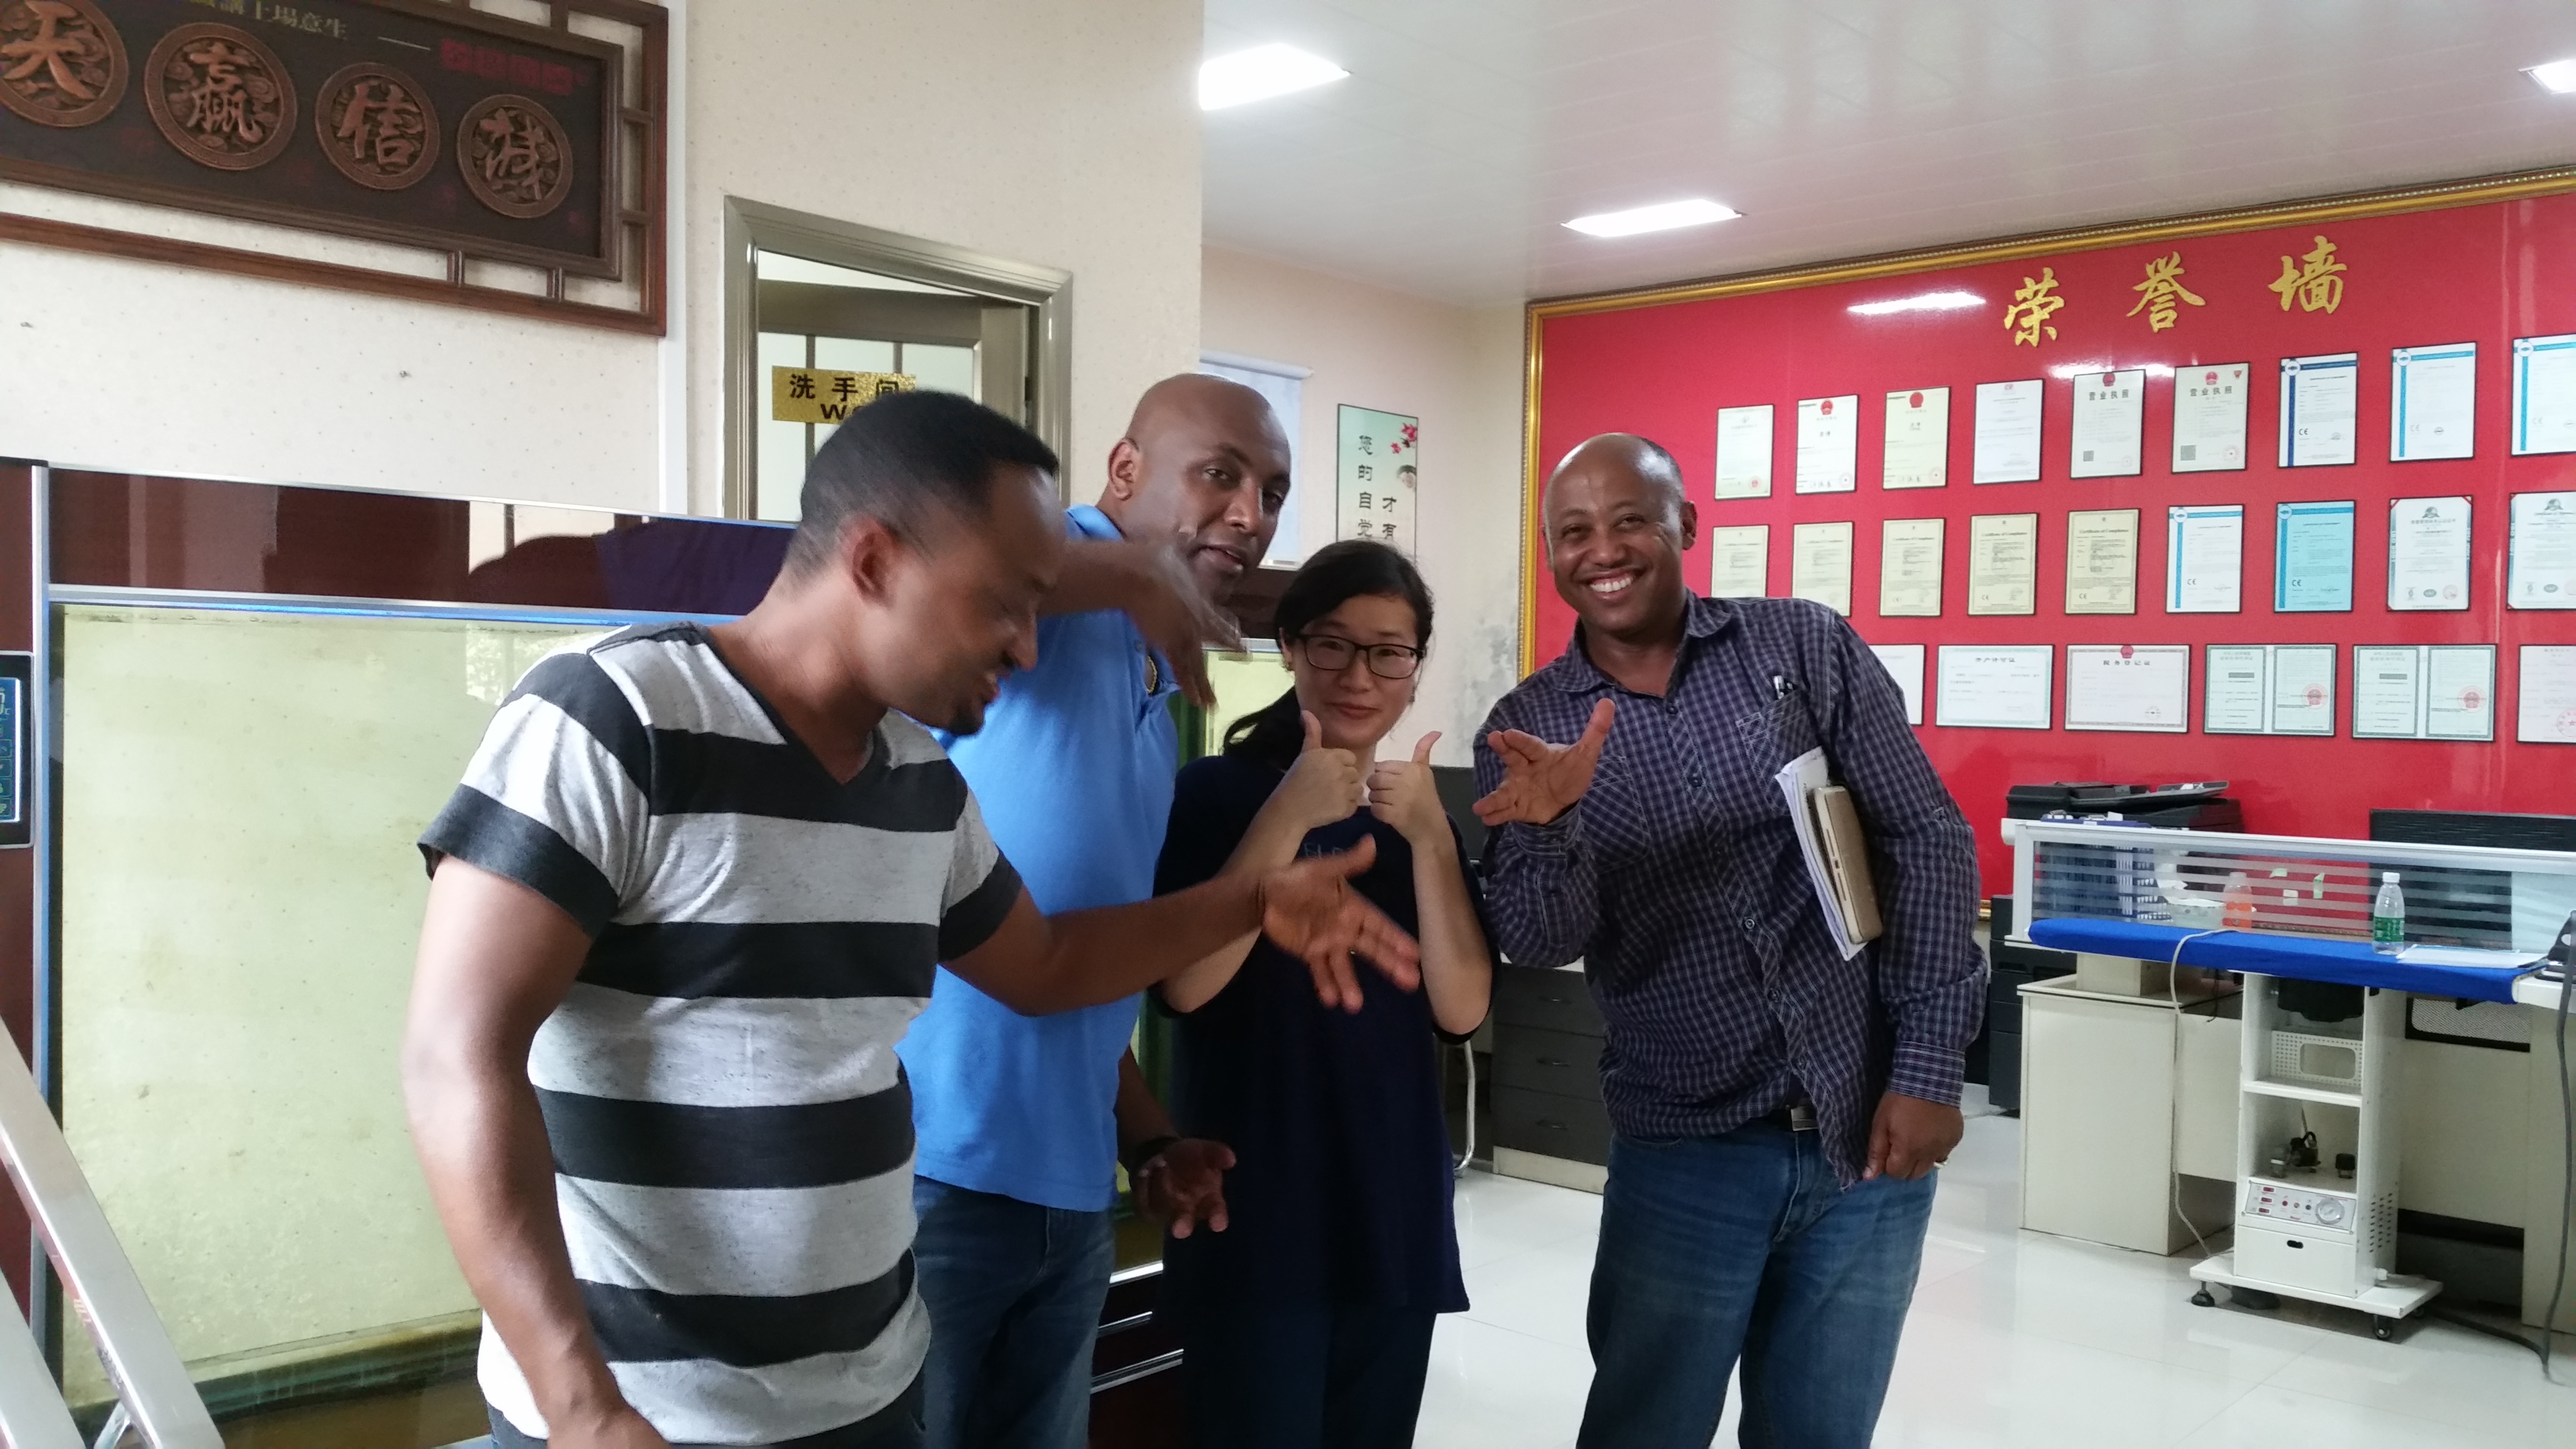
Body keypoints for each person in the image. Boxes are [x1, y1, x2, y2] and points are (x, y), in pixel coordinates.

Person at [401, 391, 1420, 1449]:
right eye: (1006, 606)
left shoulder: (920, 780)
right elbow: (455, 1057)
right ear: (876, 560)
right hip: (647, 1417)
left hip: (865, 1393)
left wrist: (1253, 900)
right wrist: (581, 1407)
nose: (1027, 651)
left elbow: (1048, 964)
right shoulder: (611, 714)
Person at [1471, 434, 1982, 1449]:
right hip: (1686, 1151)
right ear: (1552, 554)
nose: (1603, 550)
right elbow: (1536, 939)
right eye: (1573, 532)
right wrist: (1551, 826)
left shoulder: (1800, 648)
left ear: (1686, 526)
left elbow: (1924, 839)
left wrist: (1928, 1066)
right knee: (1647, 1428)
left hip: (1866, 1138)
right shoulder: (1531, 723)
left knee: (1820, 1433)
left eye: (1631, 520)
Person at [895, 373, 1294, 1449]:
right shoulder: (1047, 587)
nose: (1250, 515)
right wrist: (1133, 571)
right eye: (1219, 475)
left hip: (1072, 1196)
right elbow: (938, 557)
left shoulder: (1152, 683)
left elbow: (1071, 963)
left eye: (1271, 493)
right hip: (930, 1178)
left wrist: (1148, 1135)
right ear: (1124, 472)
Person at [1153, 540, 1495, 1449]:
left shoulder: (1417, 821)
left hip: (1393, 1204)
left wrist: (1431, 839)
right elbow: (1185, 986)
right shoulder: (1213, 794)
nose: (1359, 675)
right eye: (1333, 645)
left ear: (1415, 670)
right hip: (1257, 1204)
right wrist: (1289, 815)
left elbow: (1461, 1009)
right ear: (1292, 650)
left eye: (1389, 652)